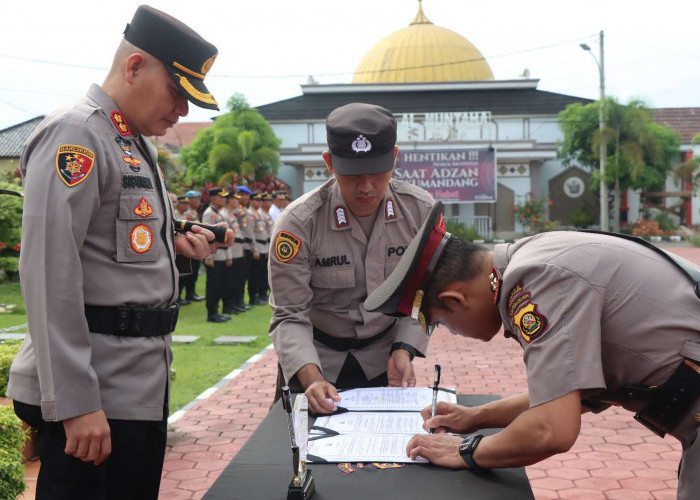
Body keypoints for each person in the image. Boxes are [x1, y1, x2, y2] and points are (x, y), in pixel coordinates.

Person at [5, 6, 231, 500]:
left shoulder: (132, 141)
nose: (183, 111)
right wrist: (75, 403)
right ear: (134, 68)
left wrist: (177, 245)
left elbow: (116, 247)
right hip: (96, 394)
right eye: (177, 91)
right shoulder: (78, 135)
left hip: (136, 385)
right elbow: (49, 274)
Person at [364, 202, 700, 500]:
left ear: (456, 300)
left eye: (440, 323)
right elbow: (567, 395)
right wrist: (475, 418)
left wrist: (464, 450)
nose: (451, 332)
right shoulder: (528, 257)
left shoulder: (533, 280)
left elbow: (552, 428)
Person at [269, 102, 435, 415]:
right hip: (314, 360)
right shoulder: (299, 223)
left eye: (378, 172)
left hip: (381, 359)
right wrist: (311, 379)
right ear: (329, 163)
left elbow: (422, 294)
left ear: (395, 158)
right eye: (353, 174)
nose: (367, 188)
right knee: (295, 455)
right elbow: (290, 313)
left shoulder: (419, 212)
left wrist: (405, 348)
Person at [202, 187, 233, 323]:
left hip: (221, 255)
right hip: (214, 256)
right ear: (213, 198)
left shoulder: (219, 214)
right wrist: (208, 257)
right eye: (221, 197)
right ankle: (212, 313)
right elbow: (206, 236)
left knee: (220, 285)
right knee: (213, 286)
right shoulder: (209, 214)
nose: (224, 199)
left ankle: (217, 311)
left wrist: (228, 256)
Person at [181, 190, 205, 302]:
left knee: (194, 271)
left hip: (195, 244)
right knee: (185, 272)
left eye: (199, 199)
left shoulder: (194, 213)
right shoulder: (184, 213)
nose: (198, 201)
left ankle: (191, 293)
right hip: (187, 245)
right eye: (196, 199)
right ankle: (180, 295)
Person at [248, 191, 269, 305]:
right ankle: (253, 297)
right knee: (255, 274)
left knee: (262, 273)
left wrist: (267, 248)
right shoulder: (250, 213)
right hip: (257, 247)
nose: (259, 202)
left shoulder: (259, 213)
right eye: (257, 200)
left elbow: (264, 231)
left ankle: (261, 294)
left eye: (260, 200)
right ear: (251, 201)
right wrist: (255, 249)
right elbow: (251, 233)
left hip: (264, 246)